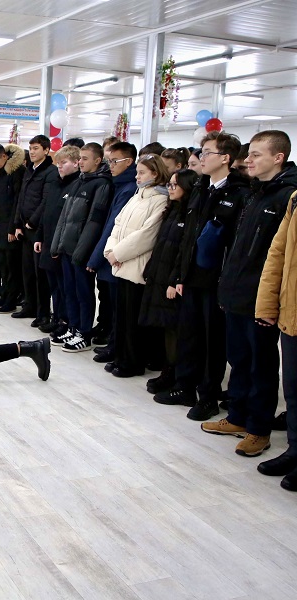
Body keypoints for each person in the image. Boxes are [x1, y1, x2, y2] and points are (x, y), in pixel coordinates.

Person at [204, 131, 297, 458]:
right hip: (236, 293)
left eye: (257, 155)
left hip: (261, 300)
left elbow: (279, 260)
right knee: (239, 360)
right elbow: (238, 248)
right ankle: (238, 416)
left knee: (262, 366)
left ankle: (259, 428)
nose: (248, 160)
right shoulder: (256, 193)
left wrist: (270, 302)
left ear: (278, 157)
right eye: (249, 154)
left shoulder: (287, 196)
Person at [155, 131, 249, 420]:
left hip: (215, 280)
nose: (201, 157)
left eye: (207, 152)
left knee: (212, 342)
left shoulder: (240, 192)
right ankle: (185, 385)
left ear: (225, 158)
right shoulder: (201, 187)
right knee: (189, 334)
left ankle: (208, 396)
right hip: (192, 275)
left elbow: (234, 244)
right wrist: (179, 275)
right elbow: (189, 237)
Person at [102, 154, 169, 377]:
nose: (137, 176)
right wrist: (111, 251)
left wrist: (118, 253)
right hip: (120, 263)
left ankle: (132, 361)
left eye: (142, 172)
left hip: (136, 266)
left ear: (156, 174)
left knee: (133, 319)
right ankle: (120, 356)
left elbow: (147, 235)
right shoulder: (136, 196)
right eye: (138, 172)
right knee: (121, 316)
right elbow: (118, 224)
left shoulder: (160, 199)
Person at [139, 169, 198, 394]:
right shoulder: (172, 210)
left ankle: (174, 372)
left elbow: (184, 250)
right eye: (170, 184)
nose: (170, 188)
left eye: (175, 185)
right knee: (165, 327)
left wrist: (175, 279)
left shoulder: (189, 214)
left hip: (172, 280)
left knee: (175, 329)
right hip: (160, 275)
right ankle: (168, 369)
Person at [50, 142, 114, 352]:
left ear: (98, 160)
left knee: (84, 292)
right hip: (67, 248)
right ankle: (74, 326)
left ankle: (84, 332)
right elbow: (64, 217)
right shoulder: (79, 181)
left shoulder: (102, 185)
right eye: (80, 158)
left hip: (82, 251)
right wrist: (57, 244)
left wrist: (82, 251)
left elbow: (94, 223)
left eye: (85, 158)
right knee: (70, 290)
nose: (81, 162)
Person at [256, 166, 297, 492]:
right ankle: (295, 450)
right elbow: (277, 256)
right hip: (292, 312)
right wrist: (269, 305)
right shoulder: (295, 200)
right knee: (293, 388)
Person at [88, 142, 139, 362]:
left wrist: (97, 256)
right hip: (109, 253)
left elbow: (114, 226)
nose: (111, 165)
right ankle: (111, 342)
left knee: (119, 307)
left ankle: (116, 346)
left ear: (129, 162)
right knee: (110, 302)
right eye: (109, 161)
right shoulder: (117, 184)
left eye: (114, 161)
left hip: (116, 256)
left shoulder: (128, 188)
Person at [34, 145, 81, 335]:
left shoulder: (76, 185)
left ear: (76, 163)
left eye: (64, 163)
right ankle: (57, 316)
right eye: (58, 163)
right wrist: (39, 236)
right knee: (53, 285)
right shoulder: (56, 183)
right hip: (48, 241)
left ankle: (66, 320)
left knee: (65, 287)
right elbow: (46, 212)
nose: (59, 166)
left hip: (62, 245)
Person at [12, 135, 58, 323]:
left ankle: (43, 312)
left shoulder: (50, 172)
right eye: (30, 148)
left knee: (41, 275)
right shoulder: (29, 170)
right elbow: (21, 198)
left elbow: (46, 200)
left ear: (46, 150)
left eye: (36, 148)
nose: (32, 151)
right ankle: (29, 306)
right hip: (24, 228)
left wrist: (32, 221)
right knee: (27, 271)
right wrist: (17, 224)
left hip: (39, 229)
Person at [0, 143, 27, 313]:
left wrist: (13, 227)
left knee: (12, 266)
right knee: (3, 264)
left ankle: (11, 298)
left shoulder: (17, 172)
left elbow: (17, 202)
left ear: (4, 156)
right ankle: (5, 295)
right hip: (0, 226)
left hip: (10, 227)